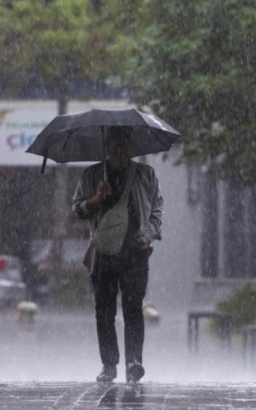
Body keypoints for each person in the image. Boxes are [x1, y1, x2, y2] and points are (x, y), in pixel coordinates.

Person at [71, 126, 164, 383]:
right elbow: (77, 209)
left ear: (130, 146)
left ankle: (134, 363)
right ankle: (109, 365)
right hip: (103, 253)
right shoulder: (92, 175)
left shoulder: (145, 174)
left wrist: (149, 236)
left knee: (133, 308)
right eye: (113, 143)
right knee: (104, 311)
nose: (118, 148)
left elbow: (157, 209)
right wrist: (96, 199)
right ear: (106, 146)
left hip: (136, 251)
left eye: (123, 143)